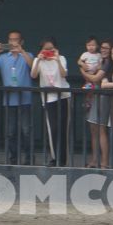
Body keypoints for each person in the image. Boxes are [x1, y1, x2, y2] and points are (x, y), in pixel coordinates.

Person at [0, 32, 35, 165]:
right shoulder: (3, 57)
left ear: (21, 41)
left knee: (26, 130)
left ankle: (29, 158)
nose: (13, 42)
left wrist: (22, 52)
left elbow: (33, 67)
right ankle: (13, 158)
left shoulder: (28, 55)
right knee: (10, 131)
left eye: (16, 40)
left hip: (25, 99)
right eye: (11, 40)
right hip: (9, 100)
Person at [31, 37, 72, 166]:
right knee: (52, 128)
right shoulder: (39, 60)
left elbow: (64, 74)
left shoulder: (62, 58)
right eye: (46, 49)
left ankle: (63, 160)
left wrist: (57, 59)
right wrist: (38, 60)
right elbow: (33, 75)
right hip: (49, 98)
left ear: (56, 49)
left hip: (63, 96)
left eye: (51, 49)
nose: (48, 52)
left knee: (63, 128)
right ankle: (55, 158)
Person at [81, 37, 110, 169]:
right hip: (94, 94)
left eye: (106, 48)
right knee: (93, 129)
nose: (103, 50)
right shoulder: (100, 60)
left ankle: (104, 161)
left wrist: (81, 70)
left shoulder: (107, 62)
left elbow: (95, 78)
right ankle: (94, 159)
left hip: (102, 96)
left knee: (101, 128)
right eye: (102, 48)